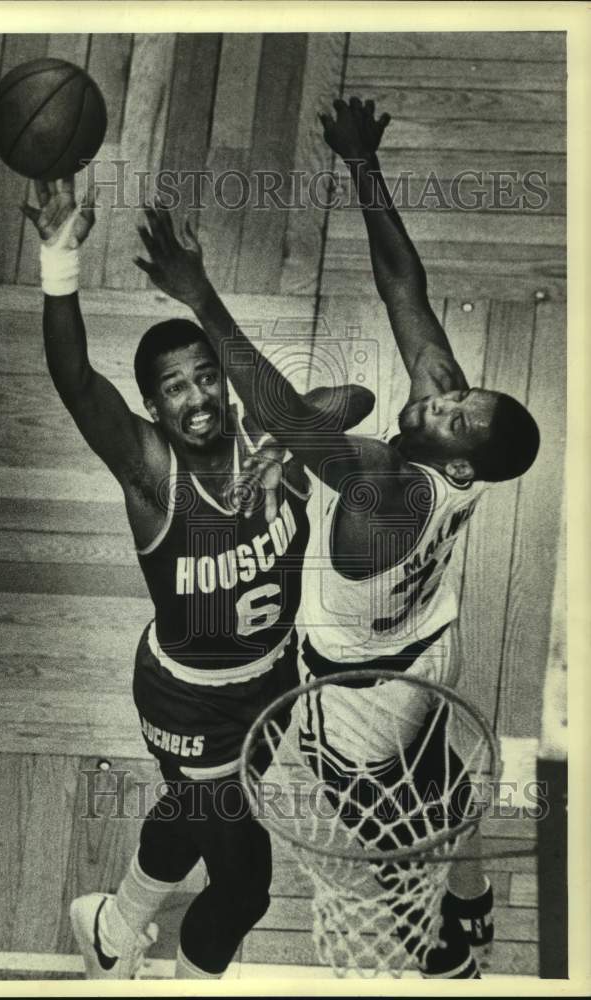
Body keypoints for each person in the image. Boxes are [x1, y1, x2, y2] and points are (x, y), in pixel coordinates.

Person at [134, 97, 540, 979]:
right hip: (430, 651)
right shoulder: (446, 456)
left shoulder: (384, 494)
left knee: (384, 833)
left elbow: (283, 410)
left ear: (462, 463)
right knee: (438, 780)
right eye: (457, 396)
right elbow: (405, 289)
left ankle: (438, 949)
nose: (443, 398)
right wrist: (362, 164)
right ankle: (469, 906)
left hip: (357, 701)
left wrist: (199, 295)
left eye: (456, 414)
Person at [22, 177, 373, 979]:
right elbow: (76, 382)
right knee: (245, 887)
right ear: (152, 406)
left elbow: (355, 396)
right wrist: (58, 259)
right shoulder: (153, 475)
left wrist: (291, 436)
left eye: (205, 376)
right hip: (190, 699)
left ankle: (113, 929)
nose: (197, 397)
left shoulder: (274, 447)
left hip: (271, 678)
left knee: (191, 806)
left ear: (227, 379)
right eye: (174, 388)